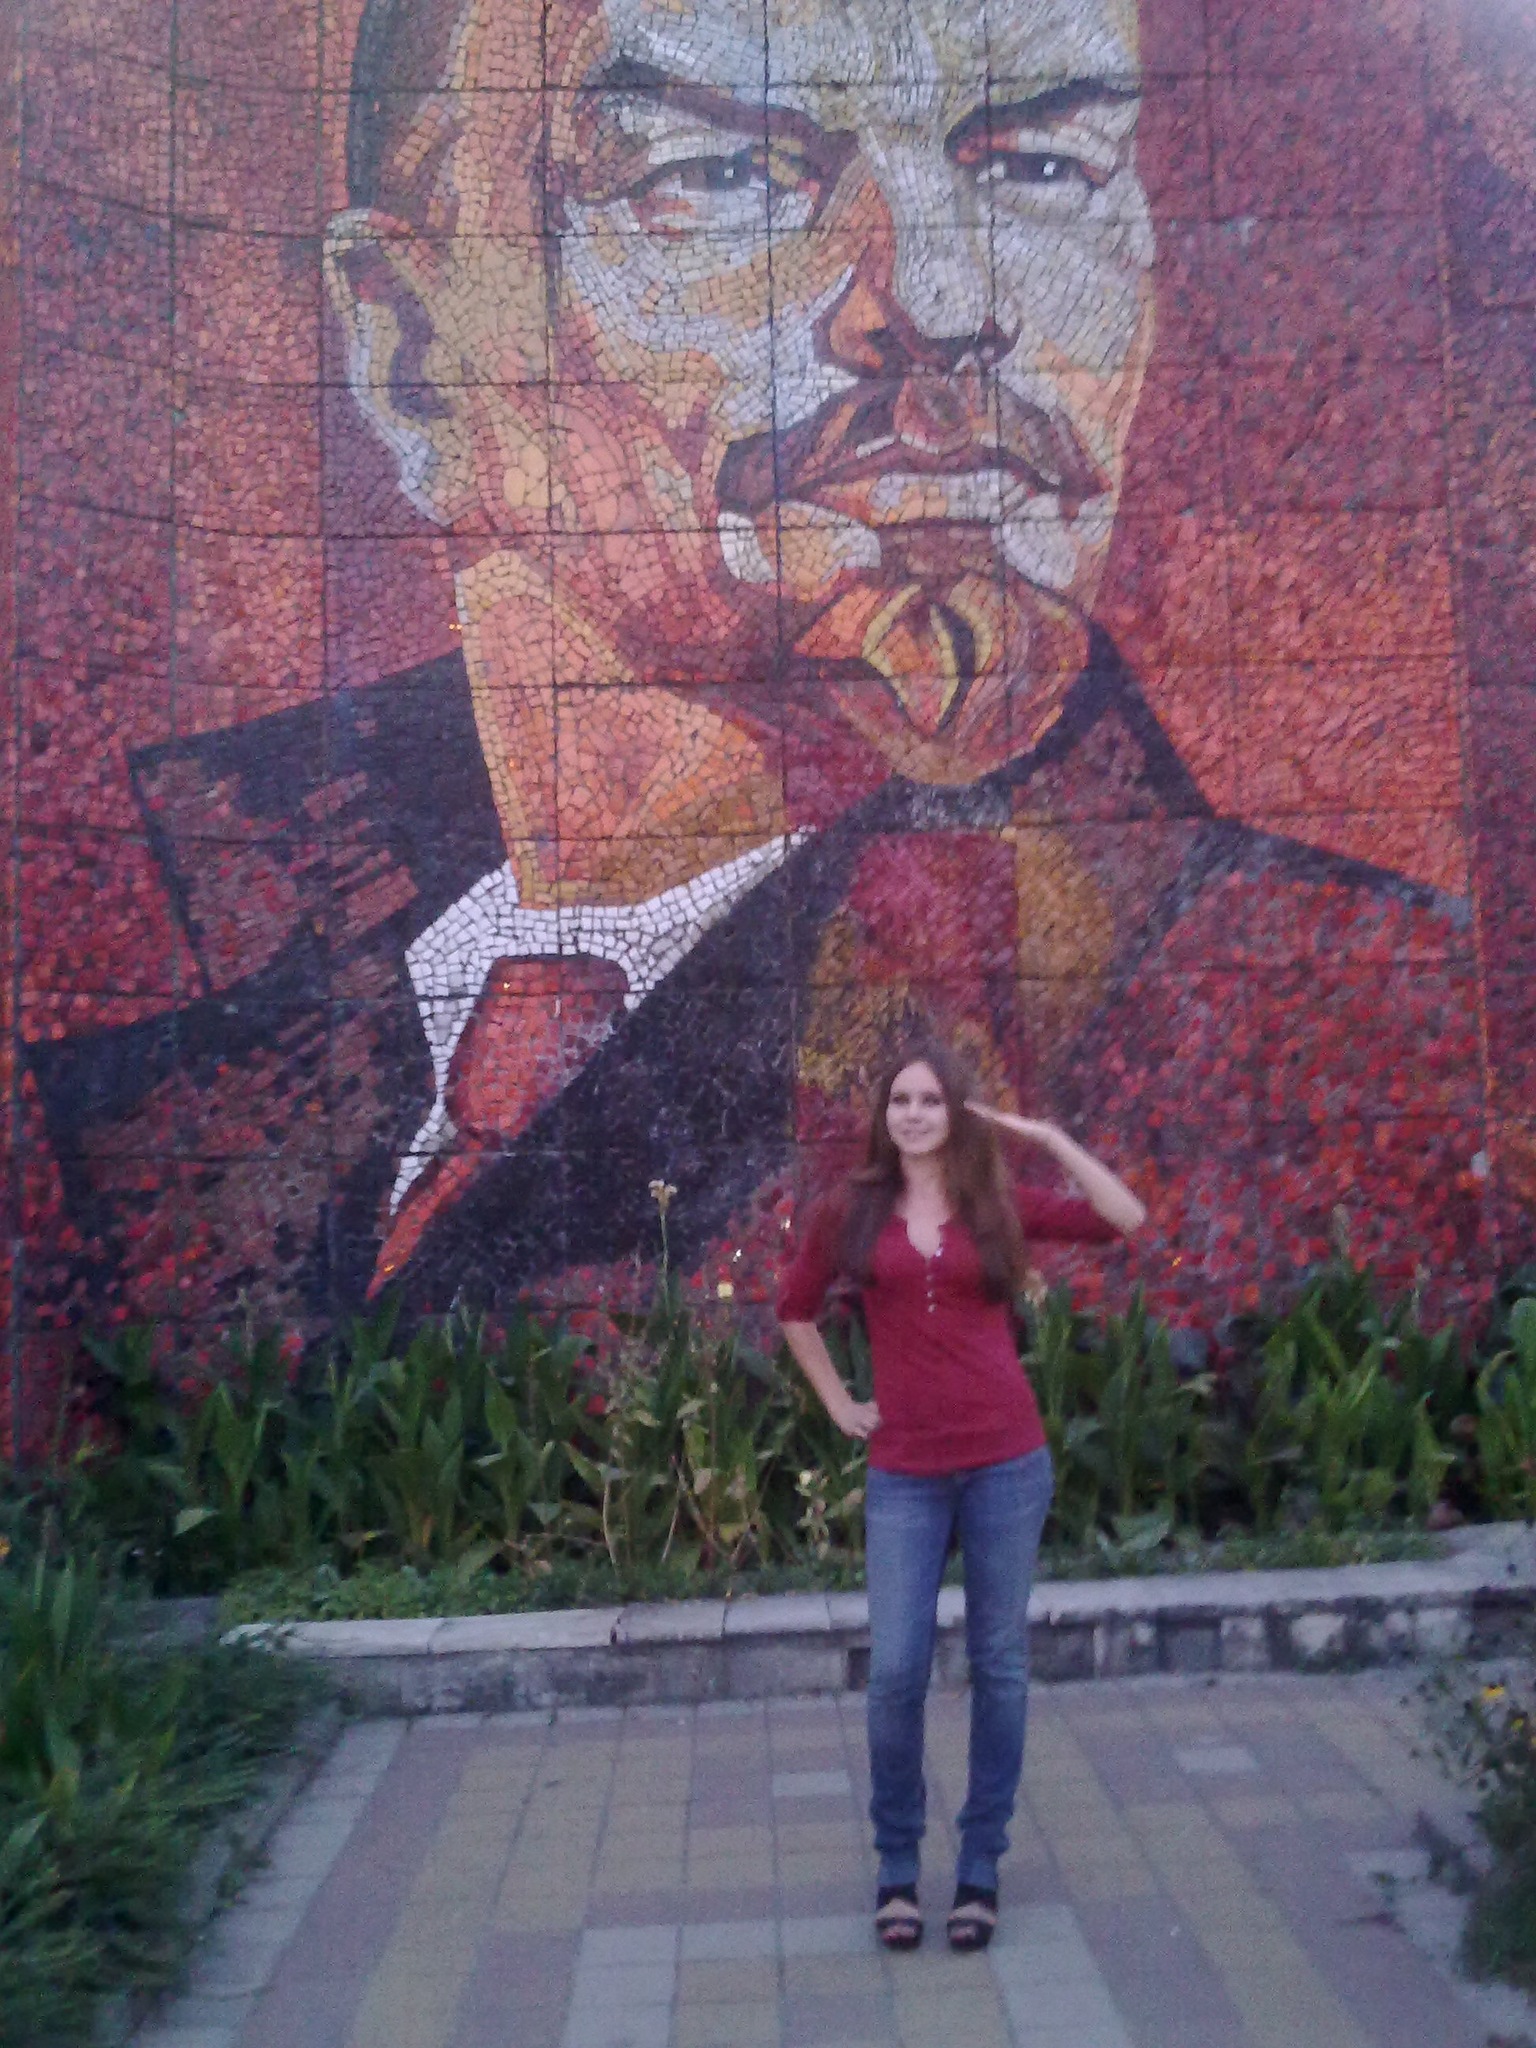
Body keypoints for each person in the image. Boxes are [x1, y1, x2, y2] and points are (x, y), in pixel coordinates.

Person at [19, 0, 1492, 1348]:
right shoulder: (216, 964)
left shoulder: (1349, 1022)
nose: (944, 295)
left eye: (1044, 166)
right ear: (415, 353)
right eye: (721, 174)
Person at [777, 1038, 1144, 1953]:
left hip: (1006, 1463)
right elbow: (794, 1308)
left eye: (931, 1101)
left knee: (1000, 1665)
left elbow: (1123, 1217)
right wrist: (840, 1403)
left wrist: (1049, 1138)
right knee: (896, 1672)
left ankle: (980, 1867)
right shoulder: (851, 1209)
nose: (913, 1115)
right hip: (906, 1471)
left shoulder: (996, 1204)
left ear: (957, 1113)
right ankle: (898, 1867)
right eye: (900, 1100)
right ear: (883, 1114)